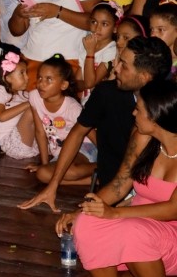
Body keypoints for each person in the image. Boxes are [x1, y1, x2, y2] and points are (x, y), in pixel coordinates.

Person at [58, 78, 177, 277]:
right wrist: (85, 210)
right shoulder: (142, 137)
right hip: (135, 226)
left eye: (139, 108)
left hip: (170, 237)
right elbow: (120, 184)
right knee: (86, 223)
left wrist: (116, 214)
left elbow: (173, 209)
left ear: (156, 115)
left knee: (133, 231)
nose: (133, 113)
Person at [20, 36, 172, 212]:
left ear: (145, 77)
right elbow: (77, 133)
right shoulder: (107, 92)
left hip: (149, 194)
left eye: (123, 65)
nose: (116, 68)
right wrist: (53, 186)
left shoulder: (167, 108)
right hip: (112, 187)